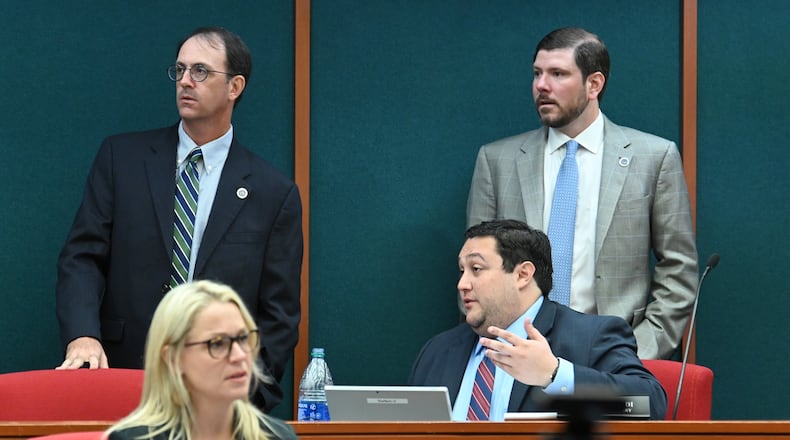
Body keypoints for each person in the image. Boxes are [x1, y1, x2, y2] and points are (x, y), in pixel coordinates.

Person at [55, 26, 303, 412]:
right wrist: (83, 335)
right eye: (180, 70)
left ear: (235, 86)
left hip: (216, 401)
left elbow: (279, 316)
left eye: (201, 71)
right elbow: (82, 258)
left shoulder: (273, 193)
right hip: (120, 377)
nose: (185, 81)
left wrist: (245, 391)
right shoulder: (122, 159)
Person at [466, 27, 698, 360]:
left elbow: (679, 267)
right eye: (537, 74)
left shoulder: (654, 158)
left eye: (558, 74)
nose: (542, 85)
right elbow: (476, 267)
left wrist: (638, 352)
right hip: (514, 354)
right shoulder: (496, 161)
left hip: (613, 354)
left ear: (594, 84)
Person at [408, 219, 667, 420]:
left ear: (522, 275)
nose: (462, 284)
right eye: (462, 271)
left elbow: (649, 406)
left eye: (476, 269)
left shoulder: (590, 337)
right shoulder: (438, 351)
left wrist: (555, 375)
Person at [106, 280, 297, 440]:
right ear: (173, 358)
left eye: (243, 338)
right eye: (217, 344)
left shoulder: (279, 437)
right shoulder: (131, 438)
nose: (239, 356)